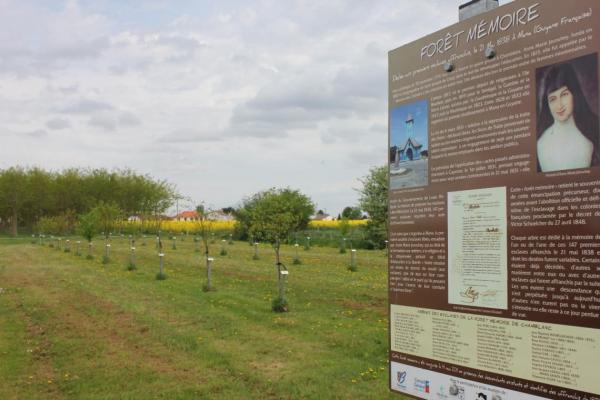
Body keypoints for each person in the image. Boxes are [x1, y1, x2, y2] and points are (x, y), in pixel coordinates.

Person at [536, 61, 599, 172]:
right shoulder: (541, 143)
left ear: (574, 94)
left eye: (564, 94)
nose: (559, 105)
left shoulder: (593, 131)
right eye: (553, 99)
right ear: (547, 104)